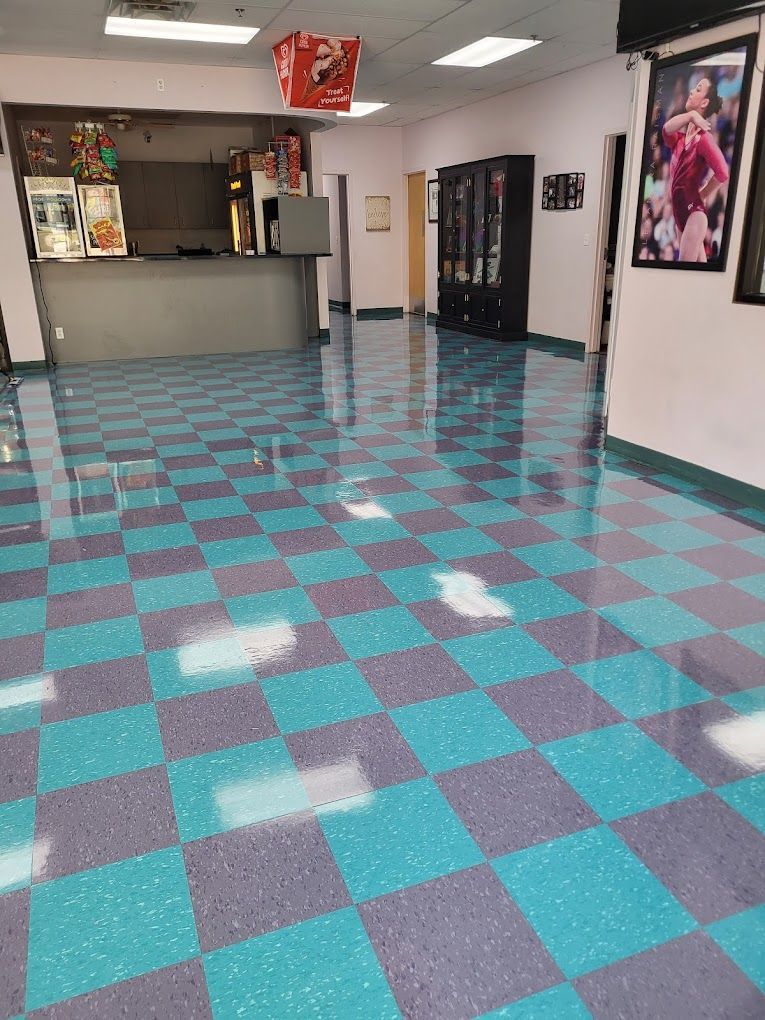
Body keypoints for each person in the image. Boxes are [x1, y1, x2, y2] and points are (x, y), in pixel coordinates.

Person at [662, 76, 729, 262]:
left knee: (685, 271)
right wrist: (691, 116)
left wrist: (703, 194)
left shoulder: (703, 139)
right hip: (680, 214)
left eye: (698, 89)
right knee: (699, 268)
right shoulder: (680, 140)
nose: (691, 91)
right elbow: (666, 129)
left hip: (693, 214)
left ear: (705, 102)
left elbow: (723, 171)